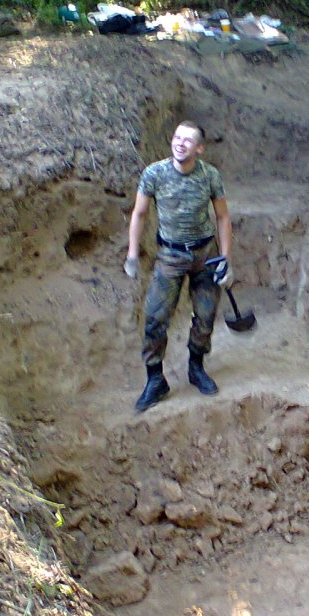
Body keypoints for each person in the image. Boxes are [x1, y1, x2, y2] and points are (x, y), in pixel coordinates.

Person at [124, 121, 233, 412]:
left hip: (205, 255)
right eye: (177, 137)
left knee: (206, 315)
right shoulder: (155, 174)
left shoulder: (209, 176)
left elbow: (223, 216)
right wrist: (132, 254)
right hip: (170, 255)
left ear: (199, 148)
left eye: (188, 140)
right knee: (155, 318)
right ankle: (155, 379)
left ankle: (196, 367)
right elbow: (139, 213)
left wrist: (225, 259)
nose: (180, 143)